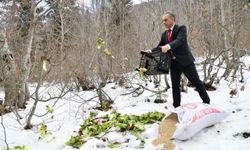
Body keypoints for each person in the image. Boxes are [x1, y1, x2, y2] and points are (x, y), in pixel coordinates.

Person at [143, 12, 210, 108]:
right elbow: (159, 47)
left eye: (166, 20)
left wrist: (168, 46)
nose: (164, 22)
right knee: (175, 86)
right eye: (163, 21)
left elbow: (179, 40)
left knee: (196, 82)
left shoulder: (181, 28)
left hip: (185, 61)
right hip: (173, 63)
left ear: (172, 20)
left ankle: (206, 101)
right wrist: (149, 51)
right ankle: (176, 106)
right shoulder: (164, 34)